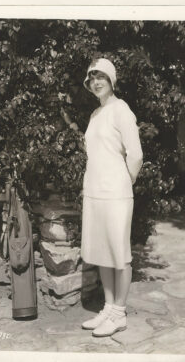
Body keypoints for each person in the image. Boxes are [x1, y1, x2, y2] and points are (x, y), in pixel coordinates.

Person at [80, 58, 143, 337]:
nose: (96, 82)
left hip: (116, 193)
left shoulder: (122, 110)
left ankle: (119, 313)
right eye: (92, 77)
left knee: (119, 254)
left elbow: (136, 155)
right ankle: (108, 307)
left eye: (101, 76)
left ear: (111, 80)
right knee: (102, 252)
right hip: (95, 192)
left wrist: (124, 181)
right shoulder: (95, 115)